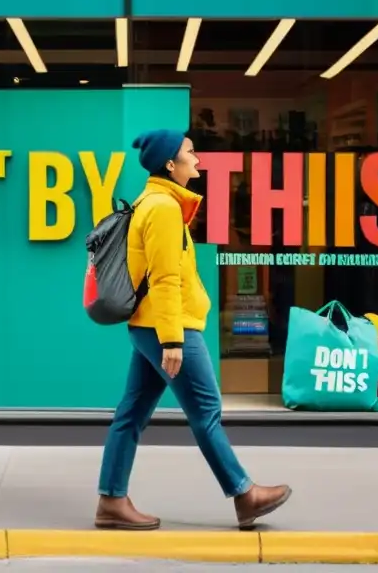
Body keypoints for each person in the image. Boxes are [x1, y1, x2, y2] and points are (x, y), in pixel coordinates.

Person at [95, 128, 292, 531]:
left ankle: (111, 500)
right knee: (207, 412)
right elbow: (166, 278)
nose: (197, 158)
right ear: (171, 163)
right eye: (190, 152)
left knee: (130, 414)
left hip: (149, 325)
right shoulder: (164, 208)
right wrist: (172, 339)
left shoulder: (153, 202)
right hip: (169, 327)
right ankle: (244, 494)